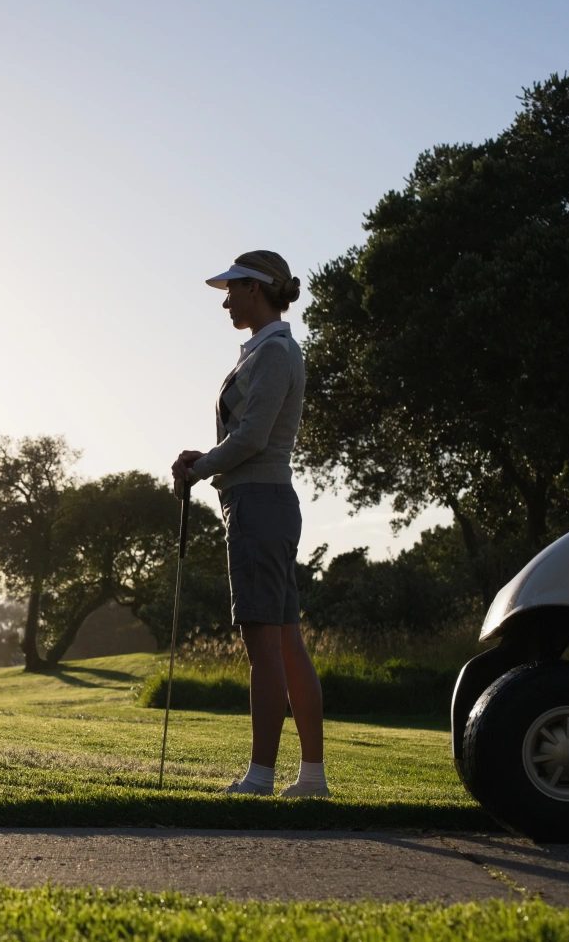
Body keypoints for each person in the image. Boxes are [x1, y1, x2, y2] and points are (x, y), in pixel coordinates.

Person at [171, 250, 329, 798]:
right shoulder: (267, 351)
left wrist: (198, 469)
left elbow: (253, 440)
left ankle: (261, 776)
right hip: (265, 503)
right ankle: (311, 779)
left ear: (257, 290)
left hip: (259, 505)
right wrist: (208, 459)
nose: (226, 299)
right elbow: (244, 437)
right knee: (285, 640)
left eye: (233, 289)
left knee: (265, 643)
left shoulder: (274, 353)